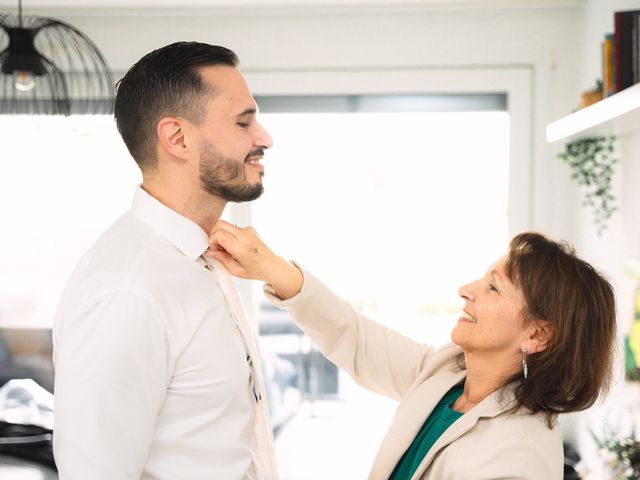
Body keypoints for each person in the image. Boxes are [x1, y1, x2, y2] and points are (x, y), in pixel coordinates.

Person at [206, 224, 617, 479]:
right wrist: (267, 265)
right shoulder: (449, 373)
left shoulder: (519, 457)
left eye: (493, 287)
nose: (466, 290)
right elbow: (357, 339)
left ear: (538, 336)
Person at [53, 42, 278, 480]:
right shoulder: (128, 292)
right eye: (243, 122)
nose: (263, 138)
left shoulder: (202, 261)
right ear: (177, 138)